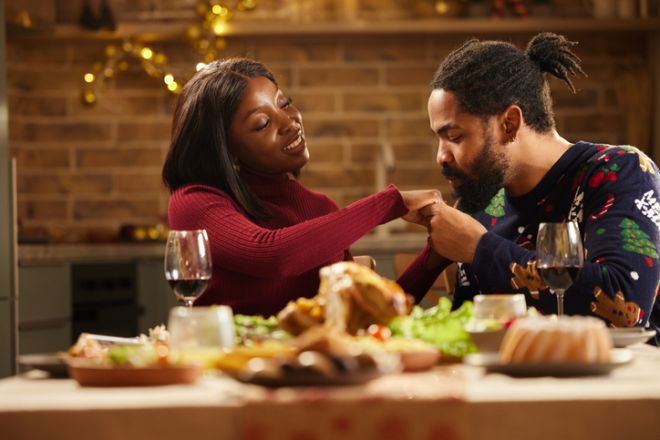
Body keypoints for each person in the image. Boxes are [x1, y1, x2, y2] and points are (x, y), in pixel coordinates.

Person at [409, 32, 660, 340]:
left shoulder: (619, 170)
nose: (441, 157)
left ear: (509, 124)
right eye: (438, 138)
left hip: (621, 384)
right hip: (515, 384)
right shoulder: (484, 204)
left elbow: (627, 306)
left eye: (456, 137)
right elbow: (472, 335)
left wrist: (479, 248)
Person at [162, 58, 440, 316]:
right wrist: (391, 203)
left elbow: (365, 313)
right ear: (225, 150)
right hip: (227, 364)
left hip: (307, 365)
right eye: (262, 123)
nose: (289, 122)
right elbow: (273, 256)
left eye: (284, 104)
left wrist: (435, 256)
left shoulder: (319, 208)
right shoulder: (194, 202)